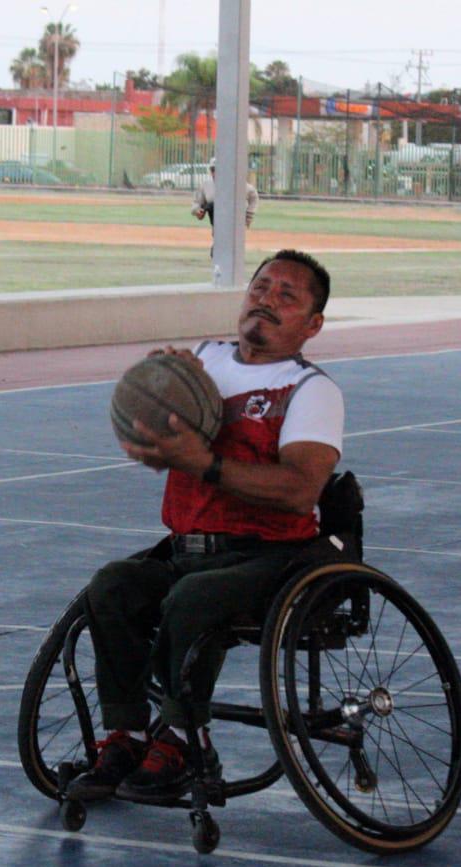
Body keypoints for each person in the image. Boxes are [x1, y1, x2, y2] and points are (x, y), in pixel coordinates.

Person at [67, 249, 344, 805]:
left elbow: (299, 491)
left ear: (312, 325)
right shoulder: (199, 363)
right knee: (112, 586)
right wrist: (150, 414)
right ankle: (125, 733)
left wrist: (205, 463)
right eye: (261, 287)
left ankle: (183, 739)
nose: (267, 299)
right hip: (189, 545)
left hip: (272, 555)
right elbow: (161, 440)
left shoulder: (311, 390)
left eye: (287, 295)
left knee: (195, 597)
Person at [192, 158, 259, 230]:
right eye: (212, 170)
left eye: (219, 170)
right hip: (216, 225)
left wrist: (248, 216)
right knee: (212, 205)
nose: (215, 173)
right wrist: (197, 211)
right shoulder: (206, 185)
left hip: (235, 225)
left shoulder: (237, 184)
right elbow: (197, 203)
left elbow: (253, 197)